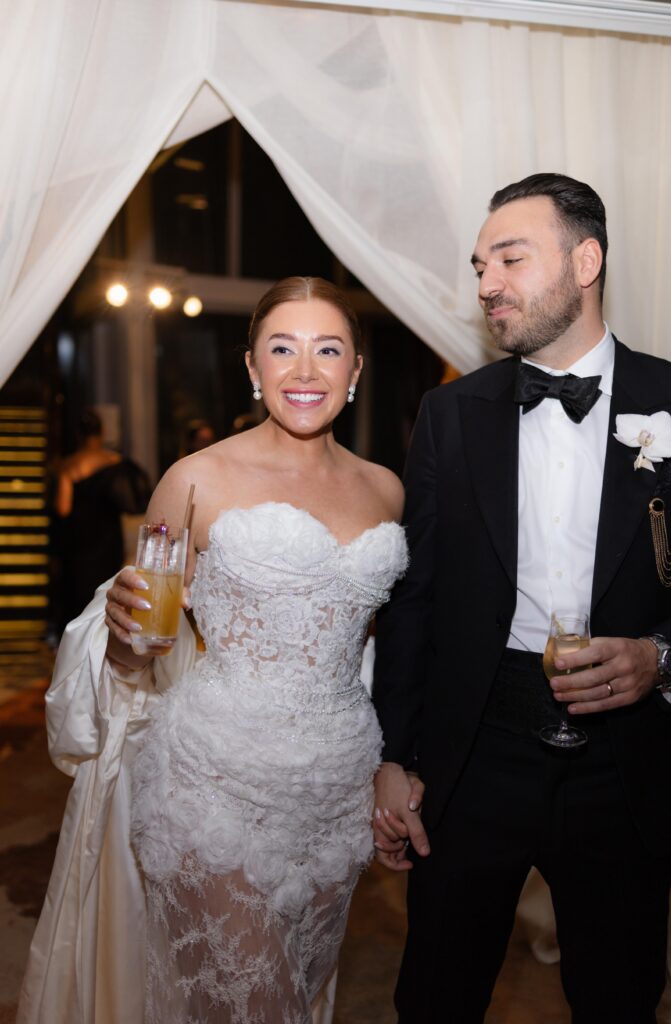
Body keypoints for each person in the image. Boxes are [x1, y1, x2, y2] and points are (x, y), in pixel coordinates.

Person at [19, 276, 406, 1024]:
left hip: (336, 795)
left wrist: (394, 767)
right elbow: (142, 645)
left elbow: (370, 646)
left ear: (356, 369)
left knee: (298, 992)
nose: (305, 370)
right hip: (213, 785)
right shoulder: (195, 479)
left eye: (328, 350)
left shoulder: (386, 490)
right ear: (252, 367)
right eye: (282, 349)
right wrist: (126, 641)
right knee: (258, 1007)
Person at [372, 173, 671, 1023]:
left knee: (617, 998)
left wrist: (660, 656)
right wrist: (393, 756)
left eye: (510, 258)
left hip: (627, 761)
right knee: (436, 994)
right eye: (479, 266)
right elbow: (413, 598)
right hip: (475, 754)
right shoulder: (448, 414)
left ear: (585, 262)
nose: (486, 284)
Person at [54, 407, 151, 629]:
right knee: (104, 594)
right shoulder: (115, 462)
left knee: (77, 597)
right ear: (102, 431)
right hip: (107, 540)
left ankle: (77, 640)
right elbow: (132, 503)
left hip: (78, 542)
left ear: (78, 434)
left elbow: (62, 508)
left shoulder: (69, 465)